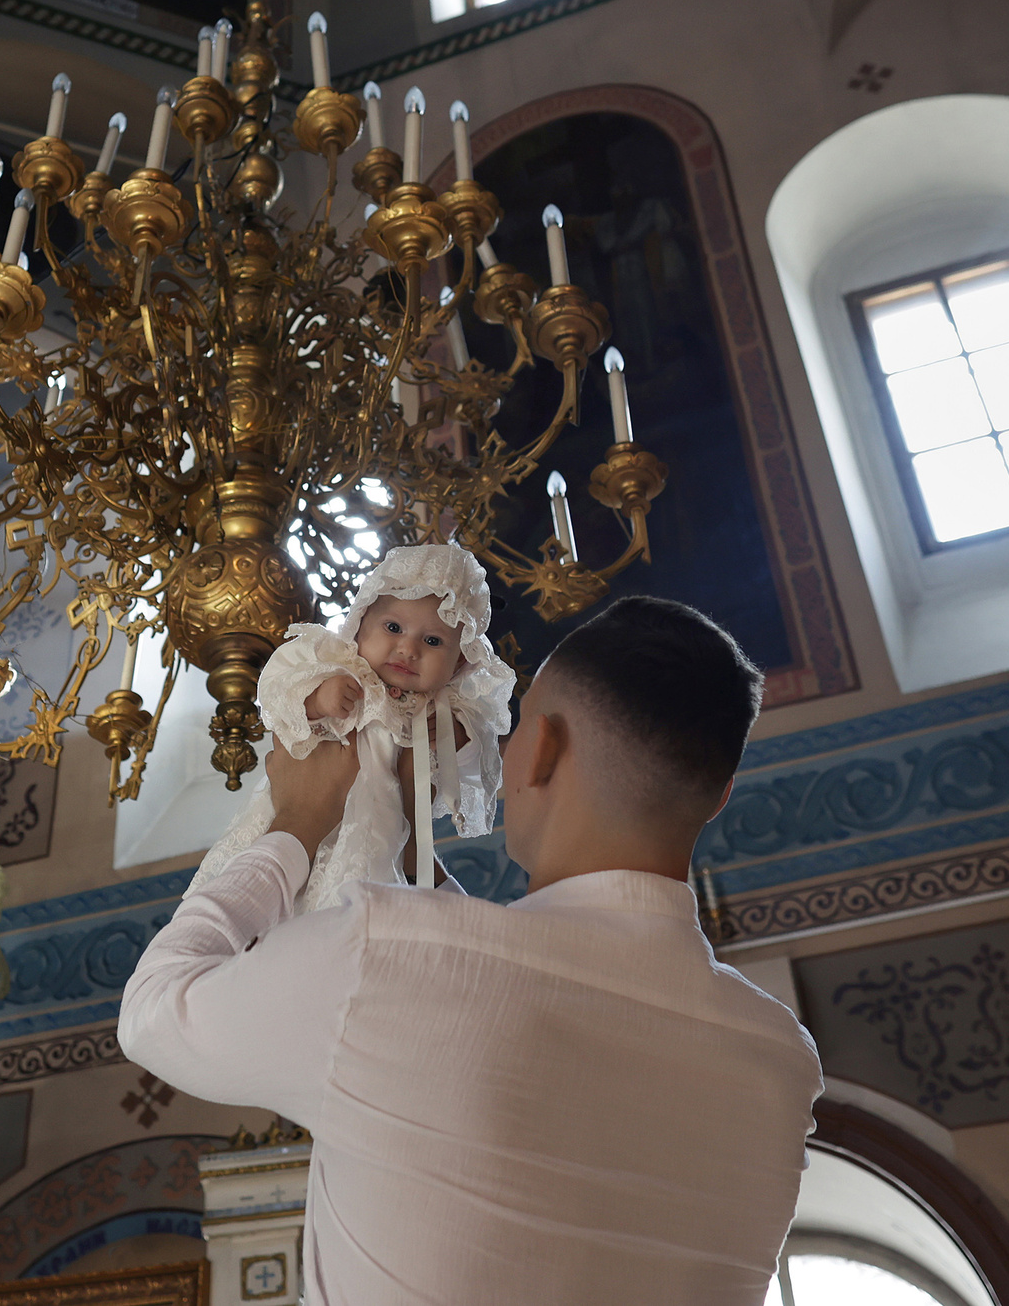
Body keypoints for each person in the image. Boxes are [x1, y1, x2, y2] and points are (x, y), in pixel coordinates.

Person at [121, 594, 823, 1304]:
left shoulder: (380, 956)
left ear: (541, 748)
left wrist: (294, 826)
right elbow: (488, 981)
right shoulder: (780, 1061)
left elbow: (155, 1011)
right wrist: (410, 849)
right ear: (720, 794)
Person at [188, 542, 509, 914]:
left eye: (433, 641)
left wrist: (460, 739)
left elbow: (479, 767)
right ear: (358, 626)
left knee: (353, 915)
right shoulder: (336, 666)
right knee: (275, 907)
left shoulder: (447, 709)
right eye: (393, 627)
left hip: (382, 839)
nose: (407, 649)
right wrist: (317, 698)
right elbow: (277, 690)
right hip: (303, 813)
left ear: (458, 665)